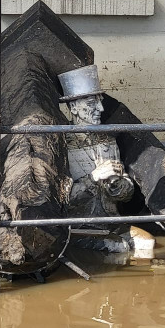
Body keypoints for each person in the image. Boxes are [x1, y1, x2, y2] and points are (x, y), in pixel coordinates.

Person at [58, 65, 134, 249]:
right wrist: (93, 178)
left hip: (112, 223)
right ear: (74, 108)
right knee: (120, 249)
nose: (100, 108)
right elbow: (62, 201)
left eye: (100, 101)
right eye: (92, 103)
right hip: (79, 227)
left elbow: (127, 194)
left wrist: (120, 186)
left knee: (147, 245)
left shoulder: (108, 140)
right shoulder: (61, 146)